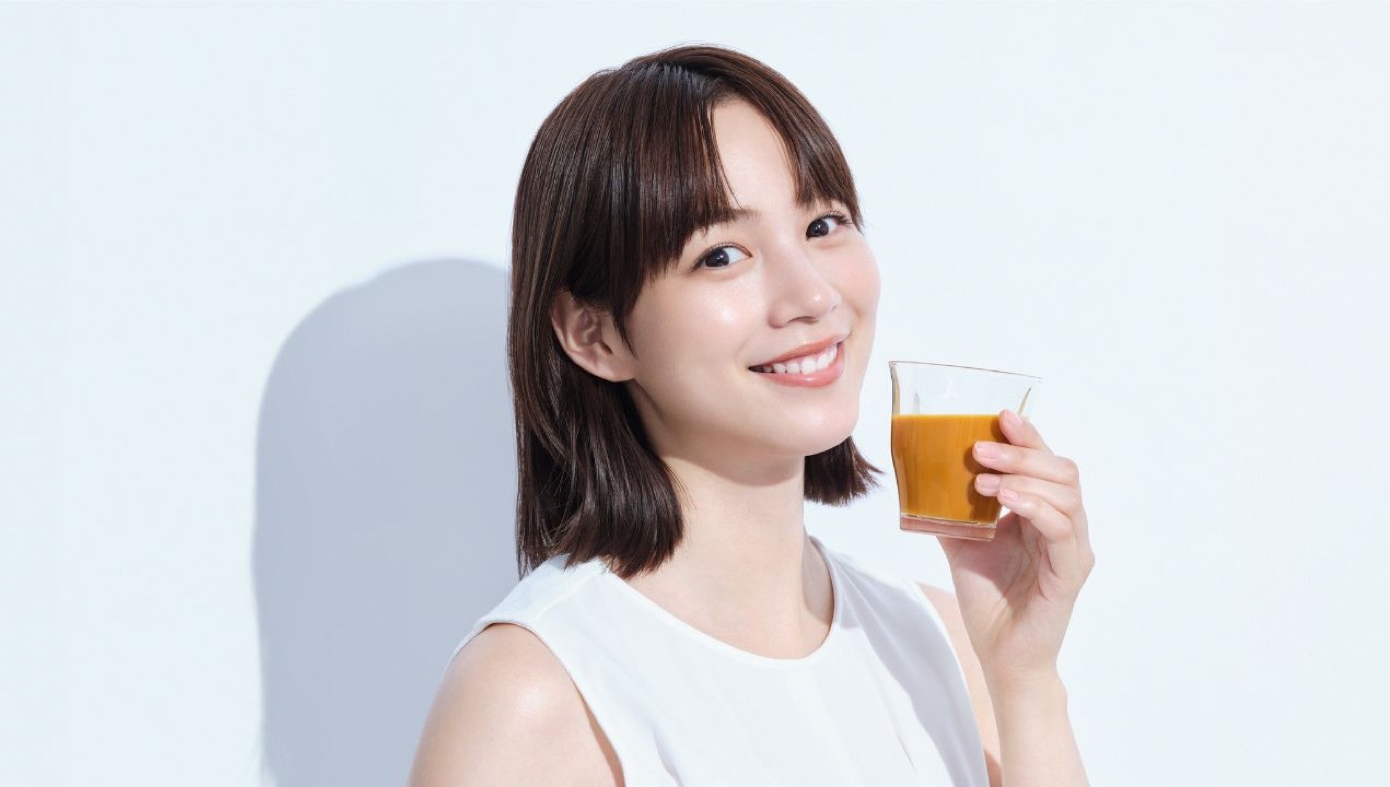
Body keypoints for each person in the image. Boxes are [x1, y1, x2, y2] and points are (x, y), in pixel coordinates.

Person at [409, 44, 1093, 786]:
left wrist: (1027, 680)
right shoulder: (532, 696)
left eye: (823, 224)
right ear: (595, 335)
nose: (813, 296)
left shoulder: (945, 640)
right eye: (721, 255)